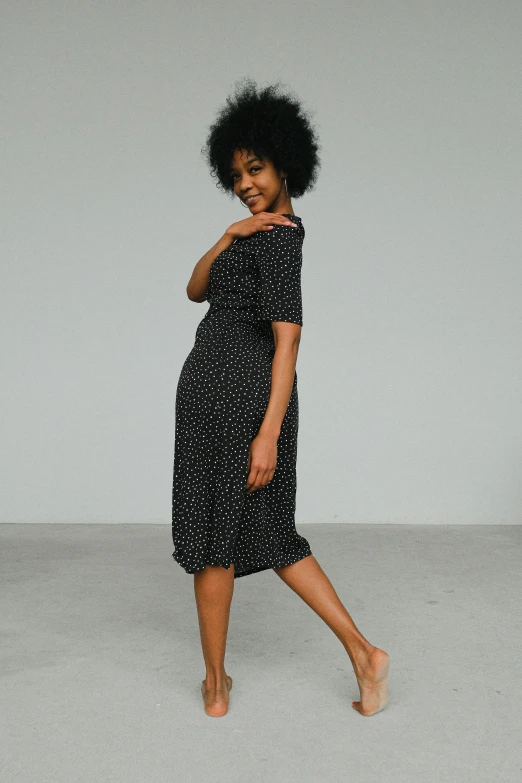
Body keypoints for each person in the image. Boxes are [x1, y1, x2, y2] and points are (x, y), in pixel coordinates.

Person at [171, 78, 389, 718]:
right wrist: (227, 235)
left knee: (231, 535)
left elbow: (289, 342)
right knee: (247, 533)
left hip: (243, 401)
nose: (245, 182)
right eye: (236, 173)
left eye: (256, 169)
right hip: (209, 394)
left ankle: (220, 684)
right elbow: (193, 289)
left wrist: (267, 433)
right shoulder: (256, 233)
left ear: (285, 163)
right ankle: (349, 655)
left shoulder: (281, 240)